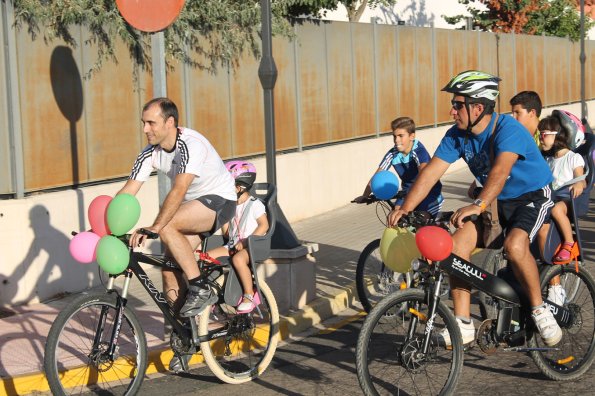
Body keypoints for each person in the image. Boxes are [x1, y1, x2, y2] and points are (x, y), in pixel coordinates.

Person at [388, 70, 562, 348]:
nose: (452, 110)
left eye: (458, 104)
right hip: (495, 202)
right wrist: (405, 207)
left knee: (516, 246)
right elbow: (432, 172)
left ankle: (540, 308)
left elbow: (501, 171)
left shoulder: (508, 129)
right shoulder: (457, 136)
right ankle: (463, 323)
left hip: (531, 196)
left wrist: (478, 204)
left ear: (478, 107)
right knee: (455, 249)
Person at [117, 98, 237, 368]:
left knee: (168, 223)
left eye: (151, 123)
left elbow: (179, 190)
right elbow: (129, 190)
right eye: (143, 123)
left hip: (219, 200)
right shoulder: (150, 153)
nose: (145, 129)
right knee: (169, 270)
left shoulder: (190, 144)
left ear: (170, 122)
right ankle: (184, 338)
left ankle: (199, 285)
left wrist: (155, 227)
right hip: (192, 208)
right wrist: (106, 225)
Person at [207, 161, 269, 313]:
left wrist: (247, 241)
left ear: (240, 187)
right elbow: (228, 234)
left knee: (238, 259)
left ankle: (249, 295)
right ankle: (212, 294)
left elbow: (264, 225)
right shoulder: (231, 205)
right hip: (233, 244)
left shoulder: (255, 204)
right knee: (206, 258)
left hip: (253, 245)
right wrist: (224, 218)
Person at [353, 116, 444, 217]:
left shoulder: (419, 152)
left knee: (420, 220)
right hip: (407, 192)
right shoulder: (393, 154)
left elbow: (424, 177)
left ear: (412, 136)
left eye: (401, 136)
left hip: (429, 192)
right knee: (393, 218)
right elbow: (377, 177)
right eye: (394, 136)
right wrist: (365, 196)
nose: (396, 140)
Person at [539, 115, 586, 266]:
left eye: (544, 134)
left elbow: (581, 177)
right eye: (539, 134)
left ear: (558, 135)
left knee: (556, 210)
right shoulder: (549, 159)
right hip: (552, 199)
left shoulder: (573, 157)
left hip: (568, 200)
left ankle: (569, 243)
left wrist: (579, 183)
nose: (540, 138)